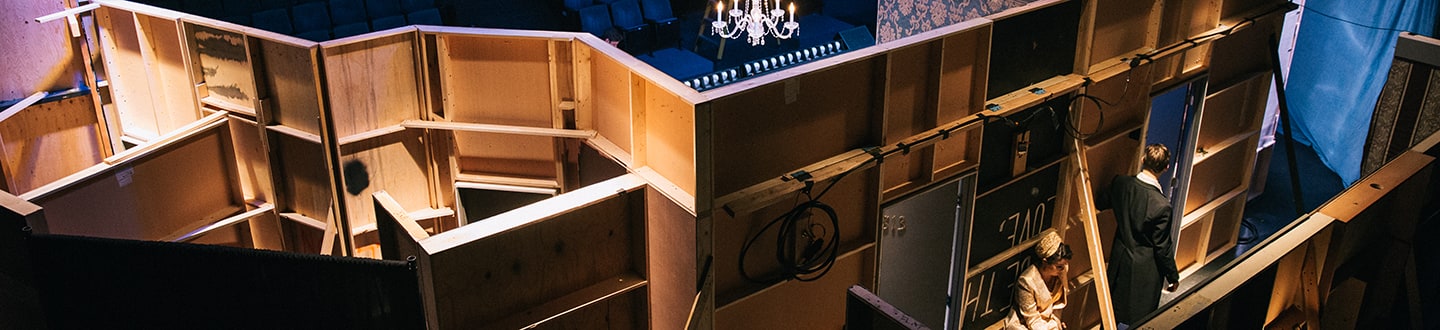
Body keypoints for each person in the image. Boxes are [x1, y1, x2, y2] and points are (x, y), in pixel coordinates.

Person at [1097, 143, 1180, 327]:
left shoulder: (1121, 184)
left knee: (1111, 312)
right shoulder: (1162, 206)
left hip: (1120, 258)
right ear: (1166, 168)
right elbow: (1162, 247)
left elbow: (1101, 202)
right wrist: (1172, 276)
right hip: (1145, 271)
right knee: (1139, 321)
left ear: (1143, 159)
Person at [1003, 231, 1072, 330]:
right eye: (1059, 266)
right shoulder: (1027, 281)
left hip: (1047, 321)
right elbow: (1032, 320)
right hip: (1025, 324)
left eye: (1065, 265)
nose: (1063, 269)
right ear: (1045, 262)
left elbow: (1057, 304)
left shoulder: (1061, 272)